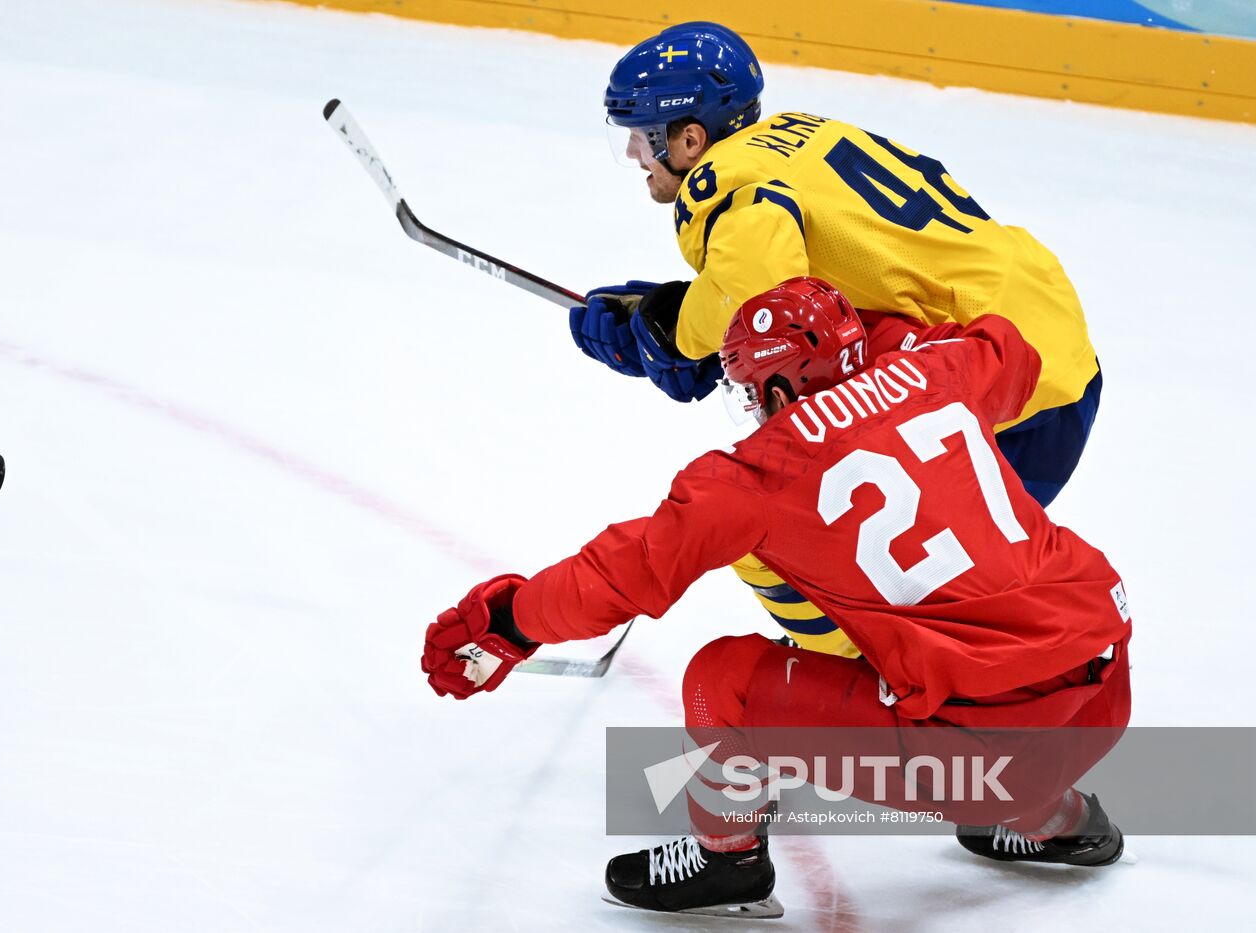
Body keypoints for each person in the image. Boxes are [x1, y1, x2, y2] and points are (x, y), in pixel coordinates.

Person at [424, 277, 1131, 917]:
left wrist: (511, 618)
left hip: (985, 756)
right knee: (990, 672)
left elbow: (620, 572)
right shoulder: (942, 370)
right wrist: (870, 351)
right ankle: (1058, 818)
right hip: (1107, 686)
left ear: (780, 392)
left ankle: (724, 858)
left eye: (750, 390)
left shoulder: (752, 477)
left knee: (721, 679)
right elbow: (1009, 346)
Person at [570, 21, 1105, 657]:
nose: (634, 155)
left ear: (691, 139)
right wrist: (692, 313)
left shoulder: (725, 183)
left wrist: (676, 340)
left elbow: (753, 296)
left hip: (1001, 394)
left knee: (788, 537)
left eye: (640, 136)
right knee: (916, 561)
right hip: (1043, 342)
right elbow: (802, 285)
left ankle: (859, 685)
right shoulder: (798, 133)